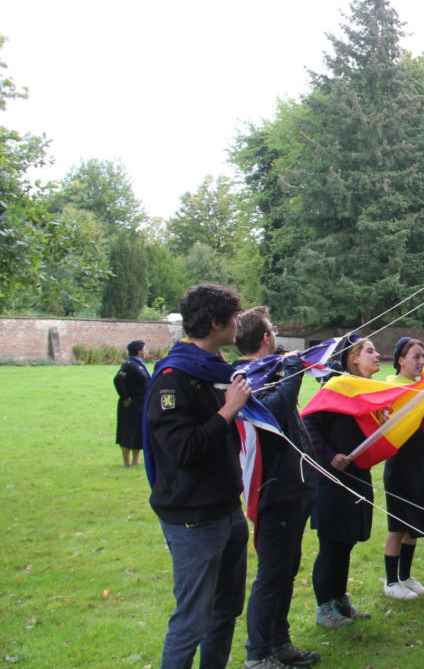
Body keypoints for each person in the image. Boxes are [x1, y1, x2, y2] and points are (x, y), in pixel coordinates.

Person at [145, 283, 250, 669]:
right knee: (192, 620)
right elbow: (183, 450)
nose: (239, 324)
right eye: (234, 318)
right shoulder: (173, 378)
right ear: (215, 323)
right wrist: (228, 411)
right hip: (193, 518)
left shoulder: (217, 372)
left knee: (226, 610)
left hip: (227, 508)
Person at [233, 307, 320, 668]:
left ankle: (279, 642)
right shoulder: (245, 377)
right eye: (272, 330)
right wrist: (292, 372)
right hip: (273, 489)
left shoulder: (269, 372)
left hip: (294, 486)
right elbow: (270, 412)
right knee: (272, 575)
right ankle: (258, 654)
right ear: (265, 337)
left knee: (287, 569)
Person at [303, 336, 379, 628]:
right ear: (353, 358)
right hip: (332, 479)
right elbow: (309, 424)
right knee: (332, 544)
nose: (376, 355)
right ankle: (324, 608)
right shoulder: (336, 388)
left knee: (346, 542)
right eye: (369, 351)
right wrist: (330, 455)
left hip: (357, 474)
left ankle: (339, 599)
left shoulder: (366, 390)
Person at [381, 337, 424, 600]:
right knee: (397, 526)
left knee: (414, 524)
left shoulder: (417, 388)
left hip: (418, 464)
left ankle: (405, 576)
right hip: (400, 467)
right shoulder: (395, 389)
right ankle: (390, 581)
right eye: (415, 356)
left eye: (423, 356)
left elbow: (419, 426)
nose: (421, 361)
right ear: (400, 360)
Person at [114, 339, 149, 468]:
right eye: (145, 348)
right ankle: (126, 462)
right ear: (139, 351)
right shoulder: (130, 365)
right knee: (127, 431)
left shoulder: (139, 364)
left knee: (138, 430)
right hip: (130, 404)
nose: (146, 351)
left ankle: (135, 460)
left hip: (140, 404)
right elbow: (118, 380)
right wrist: (125, 398)